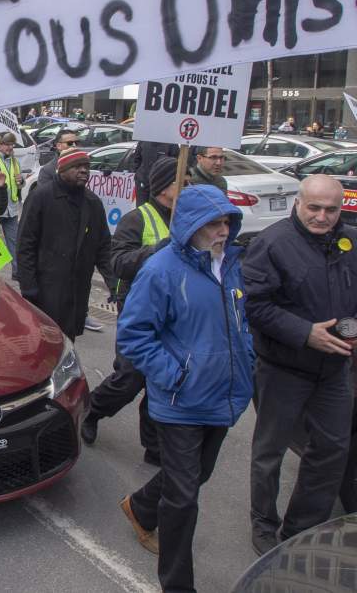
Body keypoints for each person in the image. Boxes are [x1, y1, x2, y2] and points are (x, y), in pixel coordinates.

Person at [117, 185, 253, 593]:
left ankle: (140, 507)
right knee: (182, 498)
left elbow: (239, 320)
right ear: (191, 225)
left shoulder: (231, 265)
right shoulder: (160, 270)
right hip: (180, 402)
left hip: (224, 395)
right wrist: (176, 375)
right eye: (213, 223)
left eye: (227, 221)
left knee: (196, 476)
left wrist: (247, 359)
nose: (223, 231)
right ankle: (177, 585)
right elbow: (134, 335)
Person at [244, 175, 357, 555]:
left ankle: (301, 528)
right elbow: (255, 306)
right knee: (269, 452)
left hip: (335, 368)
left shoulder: (350, 242)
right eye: (315, 208)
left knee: (332, 449)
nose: (323, 217)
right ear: (298, 203)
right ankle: (263, 523)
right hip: (283, 368)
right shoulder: (271, 244)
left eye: (331, 209)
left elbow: (350, 298)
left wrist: (351, 330)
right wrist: (304, 332)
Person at [81, 156, 180, 464]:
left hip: (175, 314)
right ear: (163, 187)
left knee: (162, 380)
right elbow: (119, 262)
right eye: (180, 181)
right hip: (140, 311)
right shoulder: (137, 219)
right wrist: (159, 248)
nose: (187, 185)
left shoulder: (187, 219)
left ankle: (154, 446)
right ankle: (90, 410)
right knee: (131, 377)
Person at [16, 149, 112, 339]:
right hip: (45, 289)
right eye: (77, 167)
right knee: (44, 342)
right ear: (62, 170)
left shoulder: (93, 203)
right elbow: (25, 244)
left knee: (67, 343)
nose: (84, 171)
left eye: (87, 167)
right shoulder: (41, 197)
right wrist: (28, 286)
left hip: (77, 291)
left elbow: (103, 248)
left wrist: (114, 283)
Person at [0, 132, 25, 268]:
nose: (11, 147)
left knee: (14, 242)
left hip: (12, 209)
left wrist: (21, 181)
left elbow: (19, 184)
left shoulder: (14, 161)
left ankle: (17, 272)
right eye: (7, 144)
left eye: (12, 144)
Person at [133, 139, 181, 207]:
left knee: (157, 210)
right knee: (142, 210)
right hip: (143, 184)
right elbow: (136, 159)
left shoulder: (171, 143)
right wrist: (139, 175)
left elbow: (175, 164)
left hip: (161, 186)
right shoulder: (144, 140)